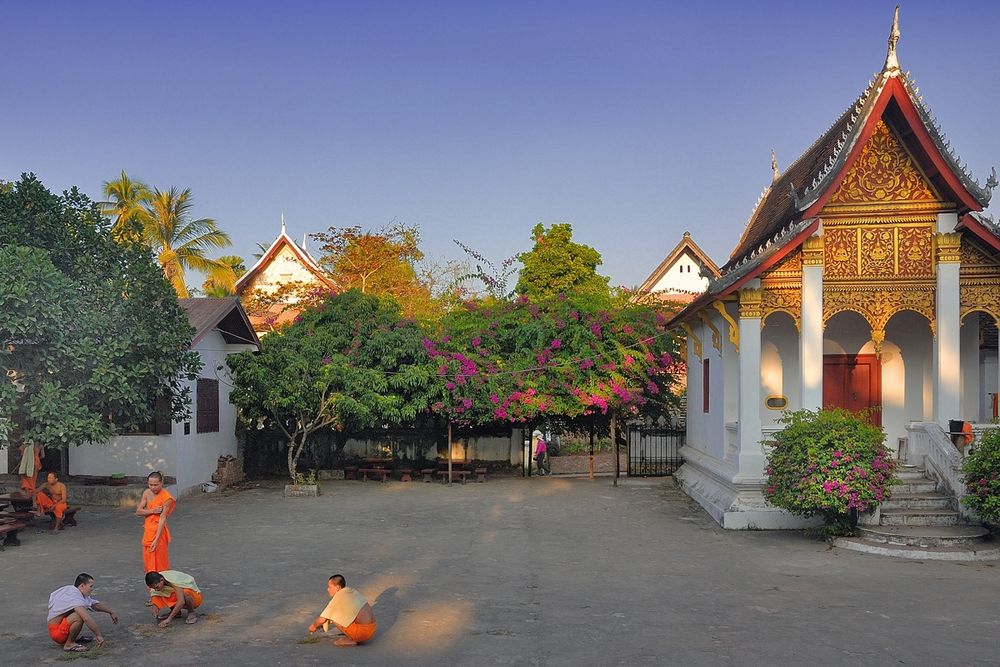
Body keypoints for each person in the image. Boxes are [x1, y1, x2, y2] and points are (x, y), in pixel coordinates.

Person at [47, 573, 118, 653]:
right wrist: (98, 635)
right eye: (90, 586)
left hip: (59, 628)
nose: (92, 589)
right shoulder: (75, 597)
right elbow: (86, 618)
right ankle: (69, 644)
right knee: (79, 615)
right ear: (82, 586)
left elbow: (95, 605)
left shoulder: (73, 590)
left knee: (80, 612)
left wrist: (111, 612)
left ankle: (71, 639)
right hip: (57, 633)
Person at [307, 574, 377, 647]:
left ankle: (351, 639)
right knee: (336, 613)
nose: (328, 589)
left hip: (363, 633)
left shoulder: (339, 597)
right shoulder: (350, 591)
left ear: (337, 587)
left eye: (330, 587)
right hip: (372, 628)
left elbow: (322, 619)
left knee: (333, 616)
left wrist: (313, 626)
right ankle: (354, 635)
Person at [135, 471, 175, 574]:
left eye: (156, 485)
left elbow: (162, 519)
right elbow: (138, 511)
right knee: (148, 563)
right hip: (148, 532)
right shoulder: (147, 493)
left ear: (162, 483)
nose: (153, 487)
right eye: (150, 485)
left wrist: (156, 540)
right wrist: (152, 511)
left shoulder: (167, 498)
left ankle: (163, 587)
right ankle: (151, 588)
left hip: (159, 533)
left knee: (160, 565)